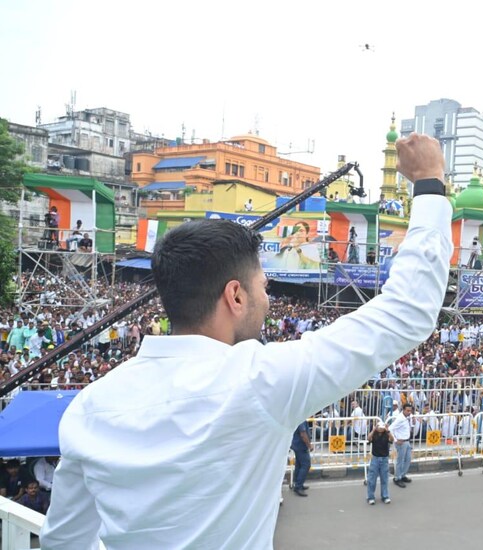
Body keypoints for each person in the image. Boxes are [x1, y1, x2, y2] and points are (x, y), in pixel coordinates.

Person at [40, 133, 451, 549]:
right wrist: (430, 182)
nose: (268, 300)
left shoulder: (89, 406)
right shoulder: (262, 382)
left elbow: (64, 543)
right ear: (235, 296)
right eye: (263, 287)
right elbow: (408, 311)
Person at [366, 420, 393, 505]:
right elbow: (368, 438)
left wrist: (387, 430)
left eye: (382, 428)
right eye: (379, 427)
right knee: (372, 479)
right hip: (375, 459)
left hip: (384, 459)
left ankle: (385, 496)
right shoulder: (374, 434)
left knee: (384, 478)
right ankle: (370, 497)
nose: (381, 429)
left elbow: (392, 439)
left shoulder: (386, 434)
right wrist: (374, 430)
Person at [389, 402, 413, 488]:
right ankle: (397, 478)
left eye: (410, 410)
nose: (409, 412)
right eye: (407, 410)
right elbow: (390, 428)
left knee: (408, 459)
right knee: (400, 460)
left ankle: (402, 475)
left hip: (407, 441)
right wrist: (395, 440)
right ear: (403, 410)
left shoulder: (407, 417)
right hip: (401, 442)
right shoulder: (400, 418)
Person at [290, 421, 312, 497]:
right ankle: (298, 486)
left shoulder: (299, 417)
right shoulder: (301, 420)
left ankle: (298, 483)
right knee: (306, 465)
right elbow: (303, 434)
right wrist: (309, 445)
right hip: (301, 445)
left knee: (299, 465)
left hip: (297, 445)